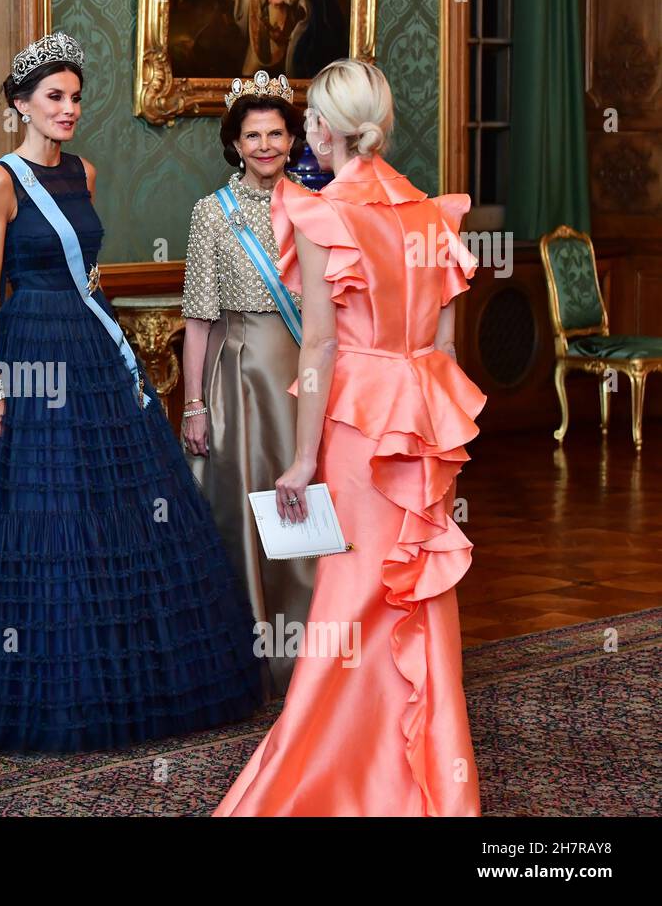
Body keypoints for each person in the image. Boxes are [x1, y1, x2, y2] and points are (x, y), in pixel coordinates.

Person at [0, 32, 262, 754]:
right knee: (37, 513)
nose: (69, 108)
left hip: (90, 347)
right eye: (54, 97)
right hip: (27, 348)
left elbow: (94, 277)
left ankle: (121, 682)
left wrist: (117, 354)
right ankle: (33, 684)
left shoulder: (87, 172)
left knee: (111, 514)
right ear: (21, 104)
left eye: (75, 97)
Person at [215, 59, 485, 816]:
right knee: (416, 597)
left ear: (322, 129)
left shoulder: (324, 212)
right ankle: (428, 775)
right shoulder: (433, 216)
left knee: (348, 597)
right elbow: (444, 349)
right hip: (425, 428)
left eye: (306, 120)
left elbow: (320, 350)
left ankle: (327, 772)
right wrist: (437, 440)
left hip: (360, 428)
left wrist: (301, 462)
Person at [181, 71, 315, 697]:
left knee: (304, 511)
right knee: (240, 510)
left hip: (303, 376)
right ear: (235, 143)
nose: (265, 145)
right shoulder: (212, 214)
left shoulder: (316, 208)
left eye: (276, 134)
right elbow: (198, 321)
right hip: (236, 375)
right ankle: (245, 657)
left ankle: (306, 654)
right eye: (252, 135)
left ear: (293, 141)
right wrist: (194, 404)